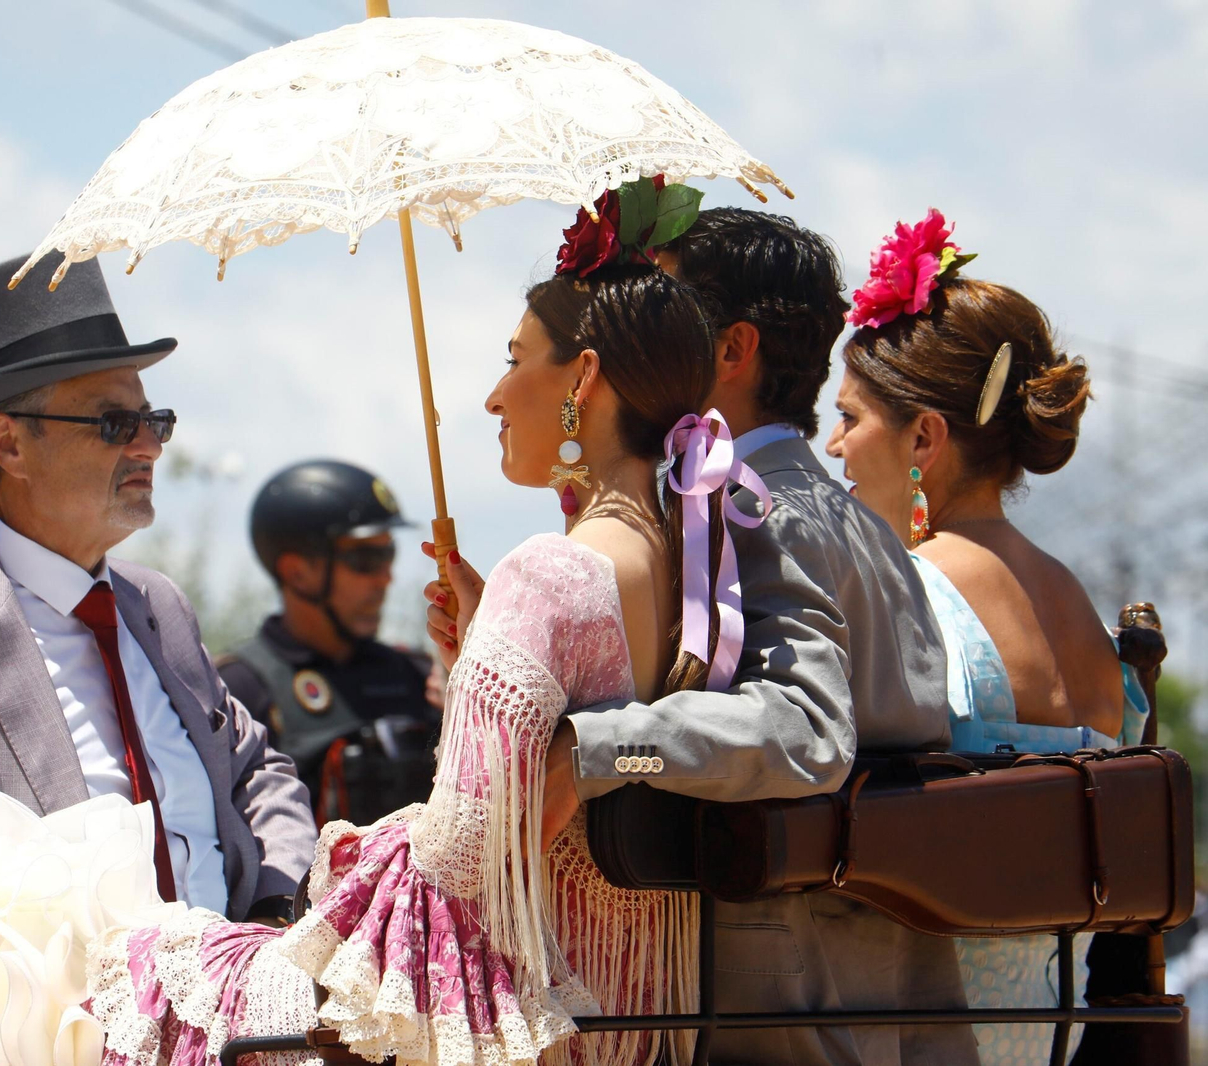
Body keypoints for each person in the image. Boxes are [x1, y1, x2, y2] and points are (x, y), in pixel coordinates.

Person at [87, 218, 750, 1066]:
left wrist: (354, 865)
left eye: (515, 359)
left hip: (530, 1013)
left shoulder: (550, 572)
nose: (494, 396)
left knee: (147, 973)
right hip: (632, 1011)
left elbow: (460, 852)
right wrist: (477, 654)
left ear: (584, 377)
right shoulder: (687, 558)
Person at [426, 197, 973, 1065]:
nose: (649, 326)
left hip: (789, 1009)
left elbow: (803, 729)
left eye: (669, 307)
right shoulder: (857, 522)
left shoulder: (755, 513)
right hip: (886, 998)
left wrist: (602, 748)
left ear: (731, 349)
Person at [0, 253, 315, 923]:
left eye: (157, 420)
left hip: (239, 1011)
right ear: (8, 446)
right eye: (116, 424)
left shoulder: (158, 608)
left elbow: (257, 773)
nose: (149, 446)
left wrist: (272, 906)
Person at [825, 209, 1150, 1066]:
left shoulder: (911, 595)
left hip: (926, 1033)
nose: (834, 446)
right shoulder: (1077, 606)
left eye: (850, 418)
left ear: (924, 438)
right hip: (1049, 1039)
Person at [218, 460, 439, 823]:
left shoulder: (421, 678)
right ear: (298, 573)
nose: (385, 577)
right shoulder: (238, 691)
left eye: (388, 553)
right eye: (365, 558)